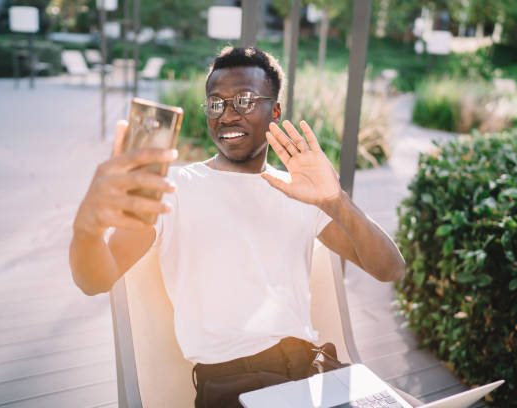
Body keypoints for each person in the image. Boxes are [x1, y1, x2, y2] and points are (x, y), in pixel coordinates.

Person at [69, 47, 407, 408]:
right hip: (232, 388)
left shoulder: (301, 190)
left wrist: (335, 200)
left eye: (244, 101)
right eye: (216, 103)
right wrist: (87, 230)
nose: (227, 115)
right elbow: (95, 280)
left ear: (274, 111)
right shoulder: (175, 188)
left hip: (311, 376)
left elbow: (390, 269)